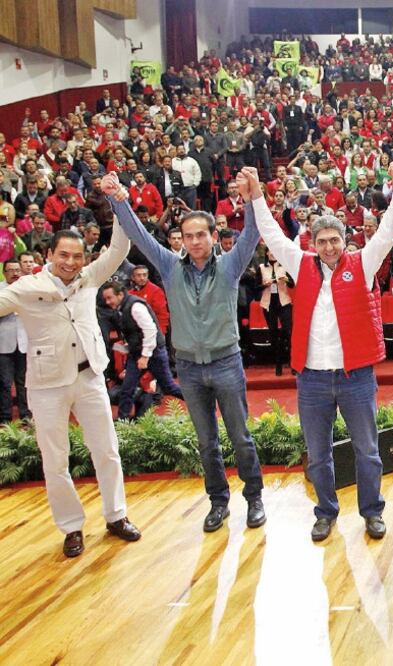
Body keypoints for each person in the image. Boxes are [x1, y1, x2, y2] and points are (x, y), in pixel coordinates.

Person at [102, 171, 266, 533]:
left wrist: (253, 196)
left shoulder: (230, 265)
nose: (194, 241)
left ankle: (254, 497)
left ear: (212, 236)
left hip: (226, 363)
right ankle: (218, 502)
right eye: (188, 235)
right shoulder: (168, 266)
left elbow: (253, 233)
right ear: (181, 239)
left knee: (240, 437)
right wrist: (119, 199)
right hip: (189, 369)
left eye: (200, 235)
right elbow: (139, 236)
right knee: (206, 442)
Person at [250, 166, 393, 541]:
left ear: (345, 240)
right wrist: (255, 195)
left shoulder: (363, 264)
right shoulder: (300, 265)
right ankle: (325, 512)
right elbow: (270, 233)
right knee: (318, 455)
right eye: (322, 241)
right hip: (312, 378)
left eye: (335, 239)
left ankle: (372, 512)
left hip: (355, 377)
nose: (329, 247)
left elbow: (387, 232)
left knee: (367, 450)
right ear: (312, 243)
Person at [0, 224, 142, 557]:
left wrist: (117, 207)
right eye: (63, 254)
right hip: (46, 384)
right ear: (49, 255)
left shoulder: (89, 277)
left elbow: (119, 250)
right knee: (55, 460)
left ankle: (116, 515)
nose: (70, 262)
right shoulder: (26, 287)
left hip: (89, 376)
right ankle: (71, 527)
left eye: (77, 256)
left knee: (107, 449)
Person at [100, 281, 184, 420]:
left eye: (110, 298)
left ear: (120, 294)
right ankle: (123, 422)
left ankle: (200, 402)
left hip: (154, 352)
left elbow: (151, 331)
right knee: (127, 389)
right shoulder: (122, 308)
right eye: (106, 299)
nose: (108, 302)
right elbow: (134, 332)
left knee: (168, 387)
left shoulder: (135, 307)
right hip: (137, 353)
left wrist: (145, 356)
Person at [0, 260, 30, 421]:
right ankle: (5, 416)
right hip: (3, 343)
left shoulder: (28, 289)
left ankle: (25, 414)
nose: (15, 273)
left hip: (24, 342)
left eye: (17, 270)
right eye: (11, 270)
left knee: (23, 381)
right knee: (5, 383)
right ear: (5, 272)